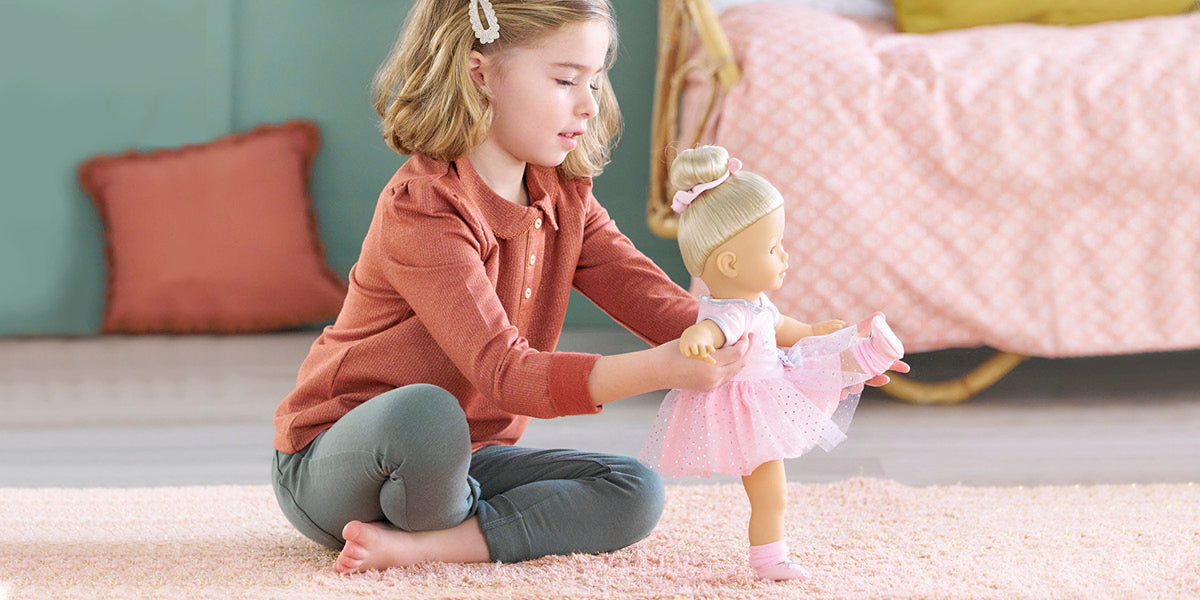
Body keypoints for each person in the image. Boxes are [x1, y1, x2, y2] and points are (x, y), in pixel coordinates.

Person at [271, 0, 905, 577]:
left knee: (634, 490)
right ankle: (438, 519)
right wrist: (660, 370)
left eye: (595, 81)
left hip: (468, 457)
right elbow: (507, 374)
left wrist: (803, 351)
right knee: (427, 411)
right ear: (480, 72)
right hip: (338, 461)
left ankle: (428, 540)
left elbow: (662, 306)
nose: (589, 104)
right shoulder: (424, 211)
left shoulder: (565, 195)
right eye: (565, 79)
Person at [638, 145, 906, 581]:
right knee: (771, 496)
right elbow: (713, 329)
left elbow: (781, 325)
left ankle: (867, 354)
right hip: (749, 409)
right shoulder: (732, 312)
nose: (785, 256)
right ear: (730, 263)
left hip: (774, 385)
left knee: (772, 487)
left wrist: (813, 331)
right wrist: (697, 337)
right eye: (774, 247)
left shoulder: (755, 303)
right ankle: (769, 560)